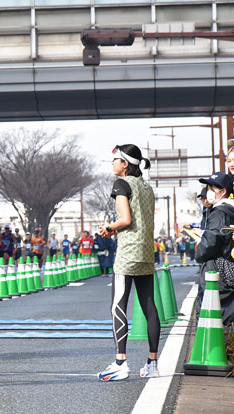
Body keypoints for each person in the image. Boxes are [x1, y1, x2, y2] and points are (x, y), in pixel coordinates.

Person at [97, 144, 160, 381]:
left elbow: (125, 219)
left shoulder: (121, 184)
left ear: (125, 164)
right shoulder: (146, 187)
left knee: (118, 305)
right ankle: (152, 363)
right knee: (149, 307)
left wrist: (109, 227)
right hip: (146, 251)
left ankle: (120, 362)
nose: (112, 163)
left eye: (115, 160)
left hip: (127, 253)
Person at [193, 172, 234, 325]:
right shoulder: (229, 210)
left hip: (216, 268)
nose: (208, 191)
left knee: (212, 314)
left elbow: (211, 242)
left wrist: (200, 249)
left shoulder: (219, 212)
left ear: (223, 192)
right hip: (228, 267)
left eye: (212, 188)